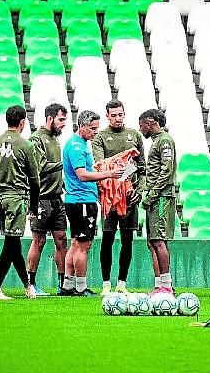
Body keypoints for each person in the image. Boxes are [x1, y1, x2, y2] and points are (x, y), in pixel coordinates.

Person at [60, 110, 124, 296]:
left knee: (75, 243)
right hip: (82, 201)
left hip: (77, 200)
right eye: (93, 128)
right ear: (82, 126)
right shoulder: (77, 147)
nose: (96, 132)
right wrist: (109, 174)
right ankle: (81, 287)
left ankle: (68, 286)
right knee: (83, 245)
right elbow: (82, 175)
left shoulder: (78, 144)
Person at [0, 106, 40, 300]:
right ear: (22, 123)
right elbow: (34, 180)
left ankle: (27, 286)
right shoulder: (26, 145)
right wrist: (33, 207)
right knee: (11, 244)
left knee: (12, 243)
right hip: (16, 199)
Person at [92, 100, 146, 295]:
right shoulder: (100, 137)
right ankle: (106, 284)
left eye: (120, 114)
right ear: (107, 116)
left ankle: (122, 283)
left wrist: (139, 190)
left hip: (130, 196)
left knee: (127, 240)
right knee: (107, 239)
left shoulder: (134, 135)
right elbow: (101, 166)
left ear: (124, 114)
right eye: (113, 115)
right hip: (109, 197)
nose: (117, 118)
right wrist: (123, 165)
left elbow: (142, 168)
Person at [27, 103, 69, 296]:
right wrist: (65, 163)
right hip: (41, 198)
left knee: (62, 239)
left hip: (57, 198)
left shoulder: (55, 139)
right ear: (50, 118)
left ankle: (63, 284)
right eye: (61, 119)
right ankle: (31, 283)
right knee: (39, 240)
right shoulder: (36, 139)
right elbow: (40, 167)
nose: (63, 124)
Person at [139, 109, 177, 295]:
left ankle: (166, 286)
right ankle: (160, 284)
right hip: (156, 196)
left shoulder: (165, 140)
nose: (141, 129)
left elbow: (166, 170)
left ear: (150, 123)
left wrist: (152, 194)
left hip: (161, 197)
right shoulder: (157, 141)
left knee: (159, 240)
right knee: (153, 242)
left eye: (142, 125)